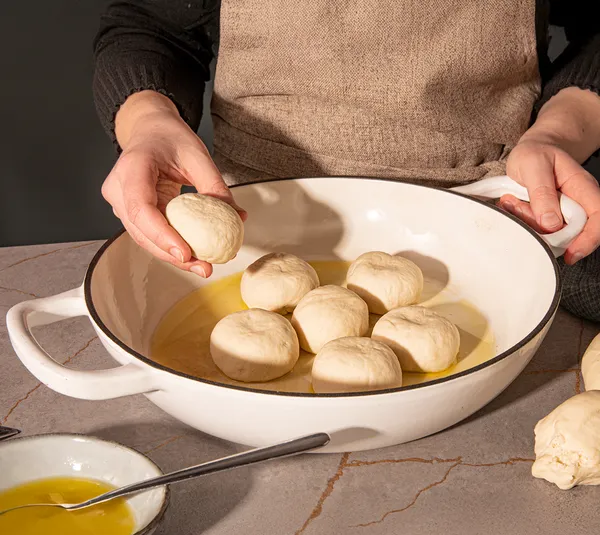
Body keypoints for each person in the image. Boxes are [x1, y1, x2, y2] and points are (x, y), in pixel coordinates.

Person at [93, 1, 600, 321]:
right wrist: (148, 122)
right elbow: (149, 25)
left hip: (491, 207)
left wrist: (557, 132)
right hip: (261, 222)